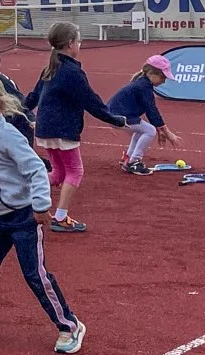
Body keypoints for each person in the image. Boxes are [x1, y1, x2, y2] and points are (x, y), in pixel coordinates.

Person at [0, 73, 85, 354]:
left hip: (21, 218)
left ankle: (69, 325)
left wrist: (40, 206)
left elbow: (36, 169)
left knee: (34, 275)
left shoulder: (8, 136)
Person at [22, 20, 127, 233]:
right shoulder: (71, 72)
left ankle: (23, 195)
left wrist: (18, 109)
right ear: (71, 43)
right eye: (78, 40)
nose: (80, 44)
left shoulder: (51, 68)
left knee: (59, 173)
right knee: (75, 172)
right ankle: (60, 217)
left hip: (45, 128)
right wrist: (116, 120)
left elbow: (33, 97)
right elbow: (91, 101)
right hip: (63, 129)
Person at [108, 56, 184, 174]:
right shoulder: (143, 87)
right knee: (150, 131)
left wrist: (162, 130)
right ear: (151, 74)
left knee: (142, 130)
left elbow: (151, 110)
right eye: (163, 77)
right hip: (119, 116)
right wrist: (166, 131)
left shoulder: (143, 84)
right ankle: (134, 161)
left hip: (115, 115)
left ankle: (128, 157)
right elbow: (151, 110)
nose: (164, 81)